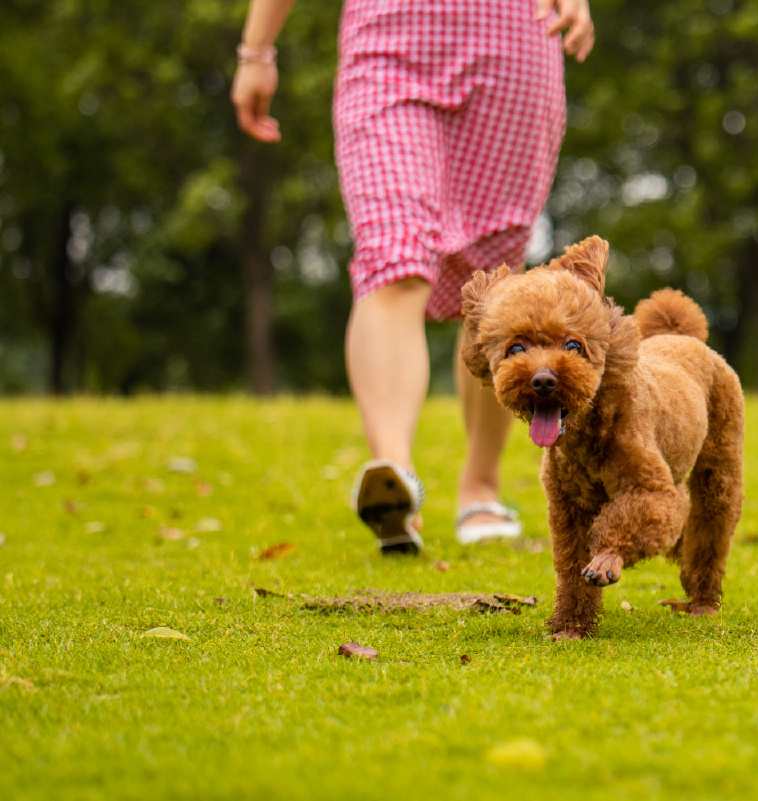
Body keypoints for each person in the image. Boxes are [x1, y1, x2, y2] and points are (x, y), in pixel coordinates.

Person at [231, 0, 594, 554]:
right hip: (388, 46)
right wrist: (256, 50)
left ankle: (480, 491)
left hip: (514, 43)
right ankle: (396, 481)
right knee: (393, 259)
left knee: (493, 287)